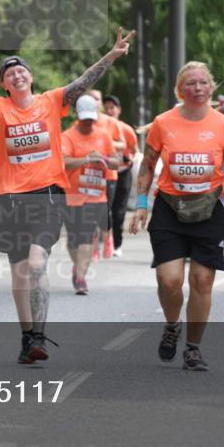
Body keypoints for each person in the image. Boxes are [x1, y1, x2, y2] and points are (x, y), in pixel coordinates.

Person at [0, 27, 134, 364]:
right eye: (9, 73)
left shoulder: (51, 101)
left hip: (47, 196)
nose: (16, 75)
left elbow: (83, 83)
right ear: (5, 84)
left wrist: (111, 55)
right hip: (10, 201)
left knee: (36, 263)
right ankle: (26, 338)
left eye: (21, 70)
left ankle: (39, 335)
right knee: (20, 272)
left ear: (30, 78)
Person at [129, 61, 224, 371]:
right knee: (170, 280)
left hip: (210, 209)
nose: (197, 88)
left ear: (211, 88)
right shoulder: (163, 123)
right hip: (169, 207)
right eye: (190, 83)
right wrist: (141, 204)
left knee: (202, 280)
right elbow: (148, 165)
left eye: (203, 82)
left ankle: (193, 348)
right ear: (180, 90)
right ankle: (171, 325)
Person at [62, 95, 118, 294]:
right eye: (85, 118)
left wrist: (102, 159)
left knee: (87, 236)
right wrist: (86, 159)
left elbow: (116, 162)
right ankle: (78, 266)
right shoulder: (68, 136)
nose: (88, 122)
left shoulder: (103, 136)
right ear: (77, 115)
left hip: (96, 196)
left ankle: (80, 279)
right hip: (71, 196)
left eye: (91, 118)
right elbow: (63, 162)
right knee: (73, 239)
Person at [88, 89, 125, 260]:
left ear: (101, 103)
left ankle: (108, 238)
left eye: (97, 99)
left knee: (104, 209)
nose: (94, 102)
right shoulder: (83, 121)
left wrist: (105, 142)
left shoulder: (111, 122)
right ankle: (94, 245)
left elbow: (122, 145)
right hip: (89, 172)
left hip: (108, 173)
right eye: (91, 99)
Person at [103, 94, 138, 257]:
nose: (110, 111)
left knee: (119, 211)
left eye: (113, 108)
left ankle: (117, 244)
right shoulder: (100, 127)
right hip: (106, 173)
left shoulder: (126, 129)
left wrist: (130, 158)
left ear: (119, 110)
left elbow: (135, 151)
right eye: (107, 108)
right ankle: (106, 239)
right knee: (104, 208)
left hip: (123, 172)